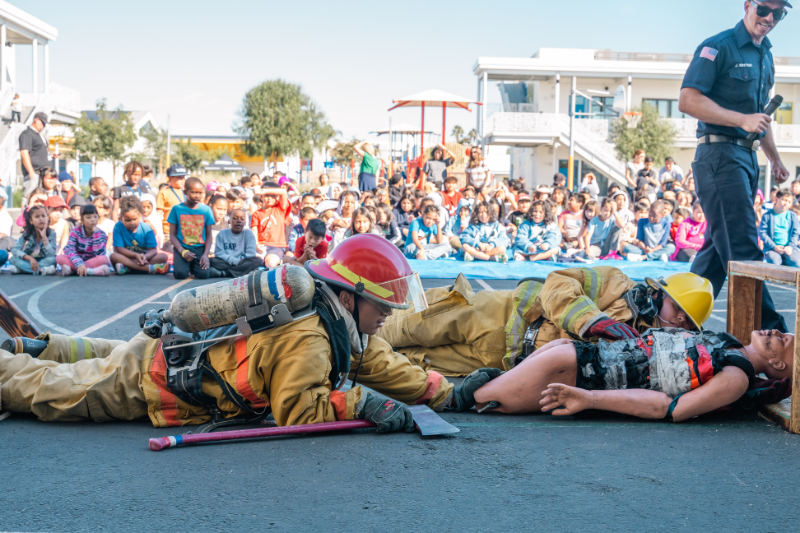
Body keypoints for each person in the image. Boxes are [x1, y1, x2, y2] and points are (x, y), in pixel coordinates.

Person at [0, 234, 491, 432]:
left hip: (165, 351)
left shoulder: (341, 326)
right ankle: (12, 364)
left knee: (102, 355)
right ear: (349, 297)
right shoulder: (312, 338)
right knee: (53, 394)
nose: (389, 312)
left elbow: (379, 363)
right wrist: (362, 404)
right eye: (382, 304)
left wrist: (447, 394)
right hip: (155, 376)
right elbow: (298, 411)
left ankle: (37, 345)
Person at [679, 0, 791, 332]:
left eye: (780, 13)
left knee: (716, 255)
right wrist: (741, 119)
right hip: (719, 155)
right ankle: (775, 336)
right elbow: (688, 100)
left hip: (746, 157)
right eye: (764, 9)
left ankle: (672, 324)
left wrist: (775, 158)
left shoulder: (765, 55)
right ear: (747, 5)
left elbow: (760, 117)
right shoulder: (718, 46)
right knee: (742, 251)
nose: (770, 18)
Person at [378, 269, 715, 377]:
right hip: (497, 315)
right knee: (400, 326)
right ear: (658, 294)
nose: (676, 321)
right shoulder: (618, 285)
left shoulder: (652, 351)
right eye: (676, 308)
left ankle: (347, 358)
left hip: (502, 360)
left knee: (408, 361)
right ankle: (342, 326)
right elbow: (558, 283)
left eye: (684, 323)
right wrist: (593, 321)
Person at [472, 328, 793, 421]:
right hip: (579, 354)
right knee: (479, 394)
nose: (776, 331)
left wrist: (590, 398)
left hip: (581, 372)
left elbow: (669, 407)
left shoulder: (736, 376)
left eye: (782, 340)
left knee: (475, 399)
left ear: (779, 365)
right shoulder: (731, 346)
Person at [168, 177, 215, 280]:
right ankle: (186, 266)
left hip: (199, 248)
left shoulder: (206, 210)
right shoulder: (176, 209)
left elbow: (208, 235)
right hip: (182, 247)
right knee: (180, 274)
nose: (197, 196)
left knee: (204, 275)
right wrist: (182, 251)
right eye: (194, 192)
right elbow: (172, 235)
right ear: (185, 192)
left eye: (200, 193)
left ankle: (194, 267)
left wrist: (206, 254)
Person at [109, 196, 169, 275]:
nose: (132, 223)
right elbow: (119, 249)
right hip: (127, 258)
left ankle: (129, 268)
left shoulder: (147, 228)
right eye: (128, 220)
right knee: (114, 256)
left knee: (163, 257)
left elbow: (153, 250)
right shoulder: (118, 227)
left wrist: (144, 257)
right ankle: (149, 268)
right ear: (121, 218)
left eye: (135, 219)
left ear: (140, 216)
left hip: (144, 258)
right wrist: (135, 255)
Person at [58, 204, 111, 277]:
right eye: (88, 217)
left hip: (93, 260)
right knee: (59, 258)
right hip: (76, 259)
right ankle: (91, 271)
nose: (93, 220)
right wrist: (79, 263)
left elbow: (100, 254)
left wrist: (96, 235)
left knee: (104, 259)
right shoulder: (75, 231)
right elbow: (69, 249)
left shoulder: (101, 234)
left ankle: (73, 270)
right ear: (82, 220)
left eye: (95, 217)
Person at [209, 208, 262, 277]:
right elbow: (219, 252)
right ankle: (243, 271)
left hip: (242, 261)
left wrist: (240, 260)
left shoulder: (248, 233)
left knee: (257, 260)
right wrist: (233, 260)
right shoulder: (222, 233)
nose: (239, 221)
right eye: (235, 218)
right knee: (212, 261)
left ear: (245, 222)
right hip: (227, 261)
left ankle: (225, 273)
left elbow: (251, 253)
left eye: (242, 219)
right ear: (229, 221)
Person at [251, 182, 291, 268]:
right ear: (261, 197)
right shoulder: (256, 214)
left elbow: (283, 192)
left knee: (271, 263)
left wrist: (265, 190)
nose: (269, 198)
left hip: (276, 247)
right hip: (260, 246)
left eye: (273, 195)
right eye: (266, 195)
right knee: (251, 262)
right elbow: (254, 230)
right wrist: (256, 244)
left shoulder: (280, 209)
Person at [9, 205, 57, 275]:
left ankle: (24, 270)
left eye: (43, 216)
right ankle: (41, 270)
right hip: (29, 261)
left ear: (47, 218)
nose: (41, 219)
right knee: (13, 259)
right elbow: (15, 250)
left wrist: (44, 238)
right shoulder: (27, 233)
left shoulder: (51, 233)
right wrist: (29, 258)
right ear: (31, 221)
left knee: (54, 260)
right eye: (37, 217)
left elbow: (51, 255)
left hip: (44, 260)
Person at [759, 188, 800, 266]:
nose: (786, 203)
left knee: (797, 262)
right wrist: (774, 246)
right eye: (784, 200)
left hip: (789, 248)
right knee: (775, 262)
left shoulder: (793, 216)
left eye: (789, 202)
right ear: (777, 198)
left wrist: (790, 247)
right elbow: (762, 233)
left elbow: (795, 233)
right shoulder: (767, 215)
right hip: (772, 248)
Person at [156, 164, 188, 252]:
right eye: (179, 177)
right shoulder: (163, 192)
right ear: (170, 178)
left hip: (185, 232)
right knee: (169, 257)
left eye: (183, 177)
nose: (183, 180)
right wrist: (160, 233)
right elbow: (158, 215)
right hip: (168, 233)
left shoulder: (187, 192)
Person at [19, 112, 49, 198]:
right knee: (29, 197)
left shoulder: (39, 135)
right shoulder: (27, 134)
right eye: (43, 123)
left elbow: (37, 151)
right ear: (36, 120)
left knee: (40, 200)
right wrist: (31, 172)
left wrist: (50, 155)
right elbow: (24, 153)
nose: (44, 125)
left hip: (42, 173)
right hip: (34, 172)